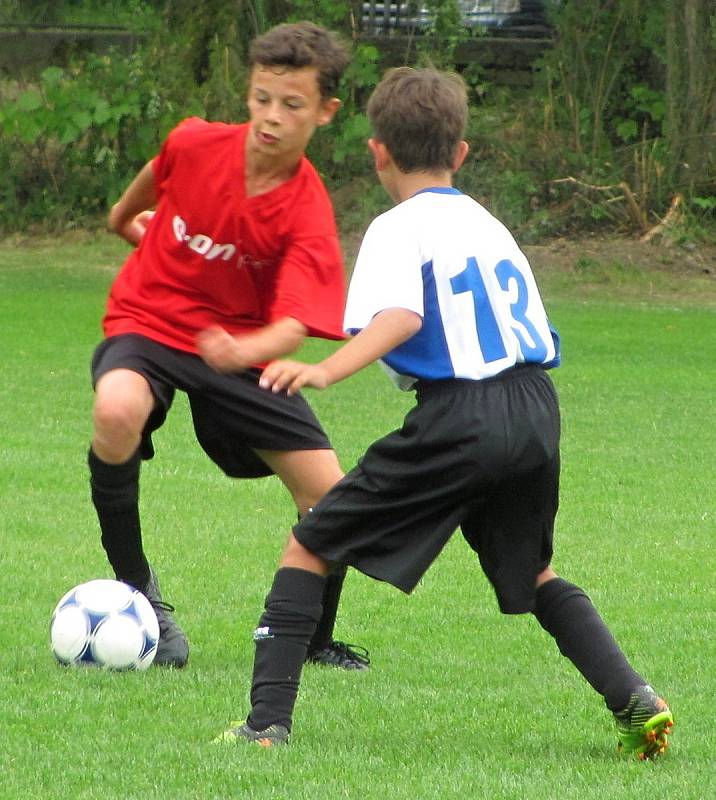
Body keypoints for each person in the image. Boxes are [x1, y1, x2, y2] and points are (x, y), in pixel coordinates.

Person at [214, 66, 674, 758]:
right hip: (534, 407)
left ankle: (263, 728)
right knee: (535, 572)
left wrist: (325, 368)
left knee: (310, 542)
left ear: (377, 152)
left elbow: (401, 315)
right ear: (459, 154)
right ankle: (637, 700)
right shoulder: (487, 223)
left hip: (464, 413)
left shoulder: (399, 227)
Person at [88, 21, 369, 671]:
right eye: (261, 98)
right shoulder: (192, 143)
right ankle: (141, 598)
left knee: (332, 499)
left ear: (325, 111)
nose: (272, 117)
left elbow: (294, 327)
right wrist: (128, 226)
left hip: (240, 349)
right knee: (115, 411)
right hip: (149, 322)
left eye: (292, 105)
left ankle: (313, 639)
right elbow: (136, 200)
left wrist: (242, 352)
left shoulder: (306, 209)